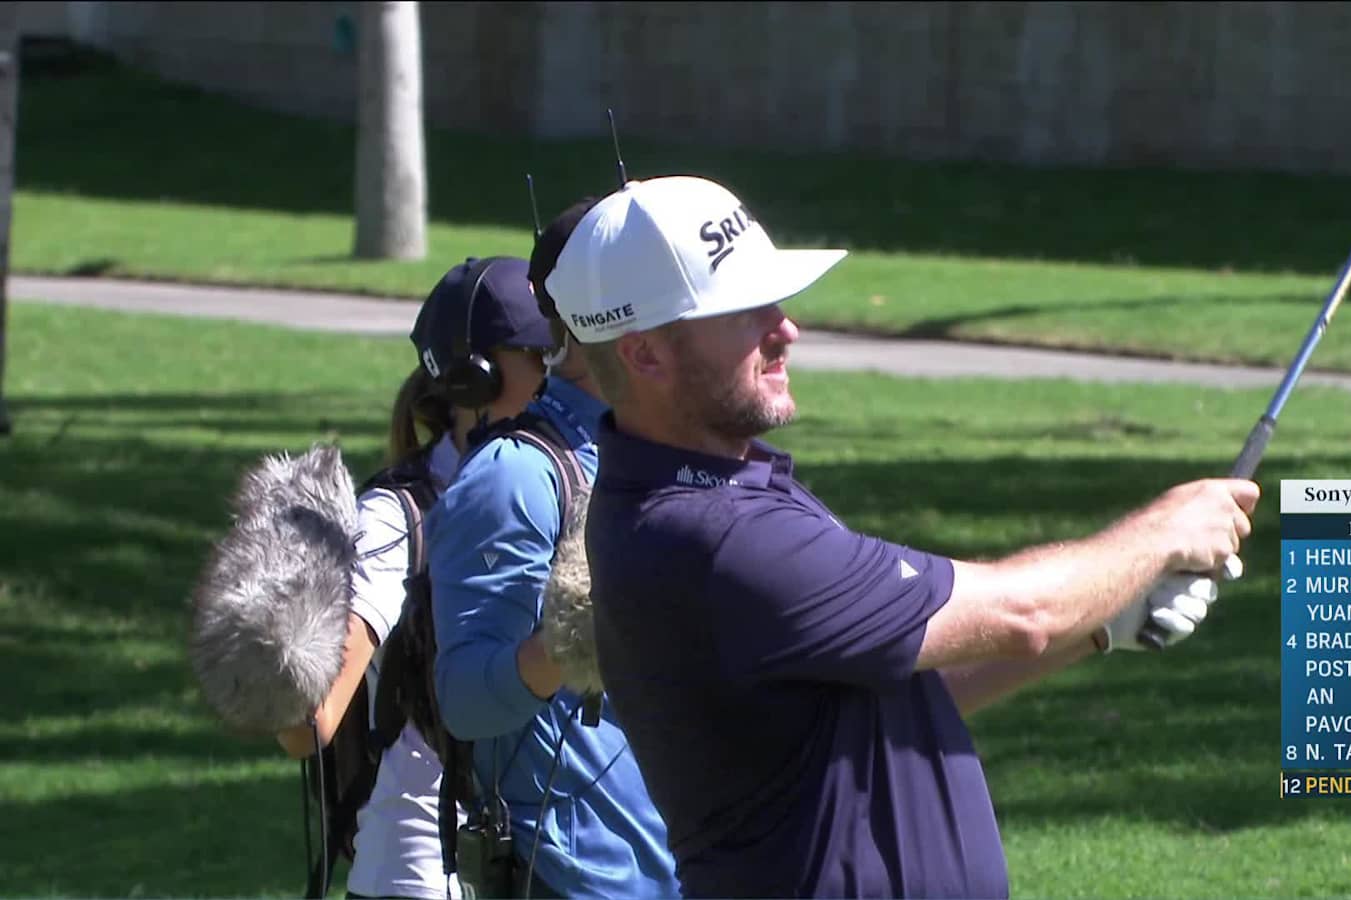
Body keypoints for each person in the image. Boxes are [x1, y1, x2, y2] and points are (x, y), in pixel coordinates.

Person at [540, 174, 1261, 898]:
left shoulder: (718, 490)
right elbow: (1023, 613)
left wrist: (1105, 620)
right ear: (645, 355)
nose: (786, 329)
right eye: (744, 311)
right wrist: (1164, 531)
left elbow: (901, 677)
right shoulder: (720, 536)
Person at [273, 256, 558, 899]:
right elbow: (307, 723)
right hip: (422, 872)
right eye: (543, 356)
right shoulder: (396, 519)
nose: (562, 371)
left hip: (541, 859)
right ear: (472, 378)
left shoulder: (553, 485)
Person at [423, 223, 679, 898]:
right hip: (581, 878)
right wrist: (577, 636)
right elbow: (465, 700)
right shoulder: (514, 477)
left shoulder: (679, 455)